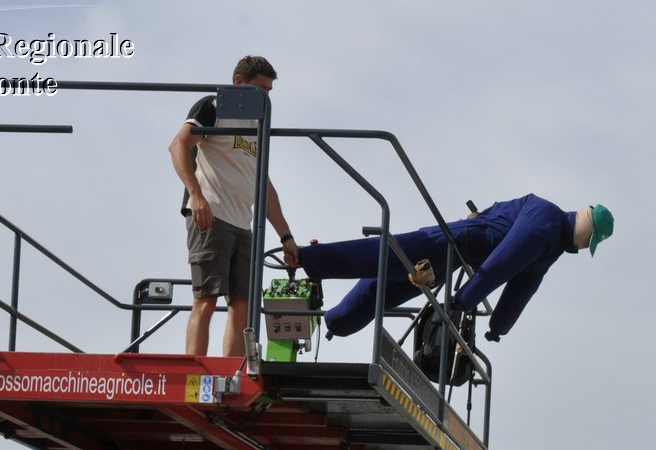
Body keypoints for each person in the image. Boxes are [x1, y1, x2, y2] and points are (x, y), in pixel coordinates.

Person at [298, 196, 613, 341]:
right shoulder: (544, 220)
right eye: (590, 242)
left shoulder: (552, 246)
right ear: (587, 230)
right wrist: (464, 299)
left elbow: (523, 287)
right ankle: (307, 259)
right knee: (379, 256)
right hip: (448, 243)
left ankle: (335, 324)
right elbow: (505, 260)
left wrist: (498, 328)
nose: (585, 247)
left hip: (448, 262)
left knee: (380, 291)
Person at [168, 55, 298, 360]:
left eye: (268, 92)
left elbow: (263, 186)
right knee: (206, 299)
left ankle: (230, 374)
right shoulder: (215, 107)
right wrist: (196, 196)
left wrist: (286, 237)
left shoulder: (256, 125)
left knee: (243, 306)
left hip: (243, 224)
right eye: (260, 89)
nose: (264, 97)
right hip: (211, 215)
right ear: (239, 82)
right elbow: (178, 145)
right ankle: (195, 371)